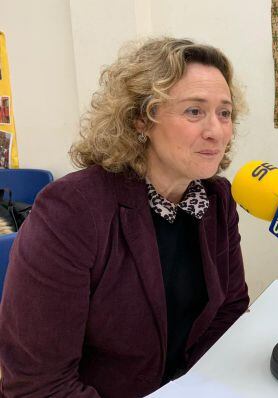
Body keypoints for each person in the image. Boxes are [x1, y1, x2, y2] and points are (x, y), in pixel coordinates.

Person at [0, 37, 249, 397]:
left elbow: (230, 307)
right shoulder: (72, 209)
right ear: (140, 121)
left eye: (224, 112)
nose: (217, 131)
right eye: (194, 111)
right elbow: (37, 384)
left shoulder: (217, 198)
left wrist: (198, 385)